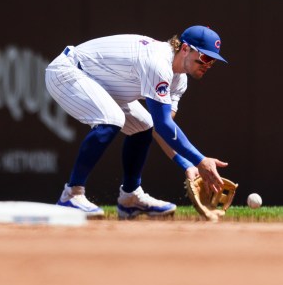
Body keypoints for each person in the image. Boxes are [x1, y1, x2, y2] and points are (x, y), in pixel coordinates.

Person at [45, 25, 229, 218]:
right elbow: (165, 127)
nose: (208, 64)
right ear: (185, 49)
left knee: (144, 127)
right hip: (68, 72)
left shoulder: (179, 81)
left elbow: (161, 127)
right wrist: (200, 160)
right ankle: (71, 195)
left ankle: (130, 198)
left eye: (213, 60)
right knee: (112, 119)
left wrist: (189, 166)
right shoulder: (158, 62)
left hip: (99, 81)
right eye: (205, 57)